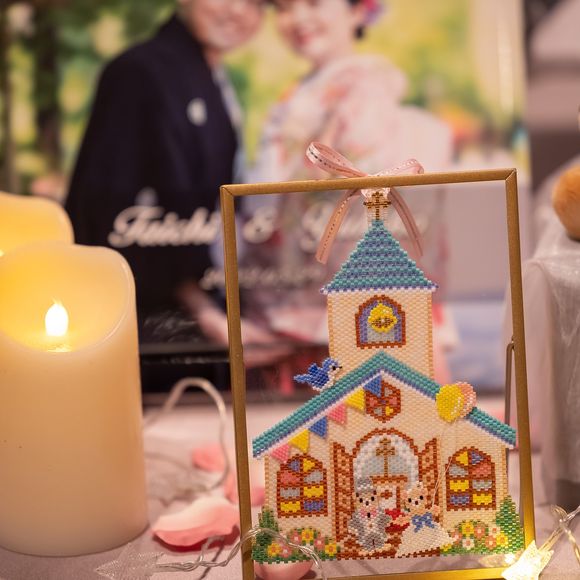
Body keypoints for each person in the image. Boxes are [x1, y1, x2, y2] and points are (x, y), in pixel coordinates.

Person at [243, 0, 452, 352]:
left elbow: (358, 203)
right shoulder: (304, 90)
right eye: (284, 7)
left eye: (313, 3)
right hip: (301, 284)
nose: (298, 18)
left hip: (338, 300)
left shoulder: (364, 87)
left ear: (357, 11)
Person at [65, 0, 268, 347]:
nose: (238, 10)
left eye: (256, 2)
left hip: (203, 309)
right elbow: (108, 209)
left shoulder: (211, 75)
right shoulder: (138, 72)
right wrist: (202, 309)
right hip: (149, 321)